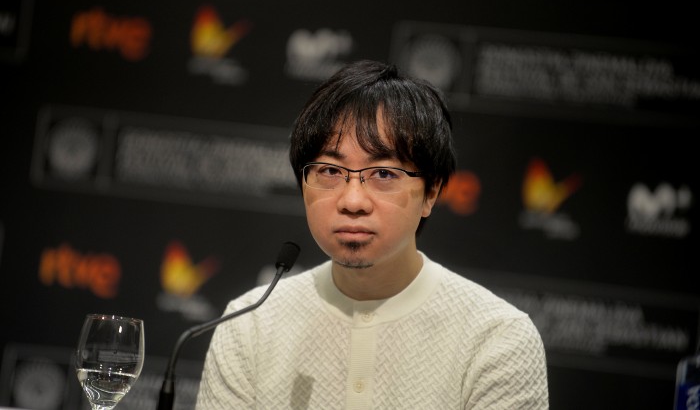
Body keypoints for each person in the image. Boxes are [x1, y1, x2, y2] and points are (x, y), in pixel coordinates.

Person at [195, 60, 549, 409]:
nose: (352, 201)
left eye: (383, 174)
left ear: (431, 193)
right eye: (330, 170)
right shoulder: (249, 323)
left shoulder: (497, 338)